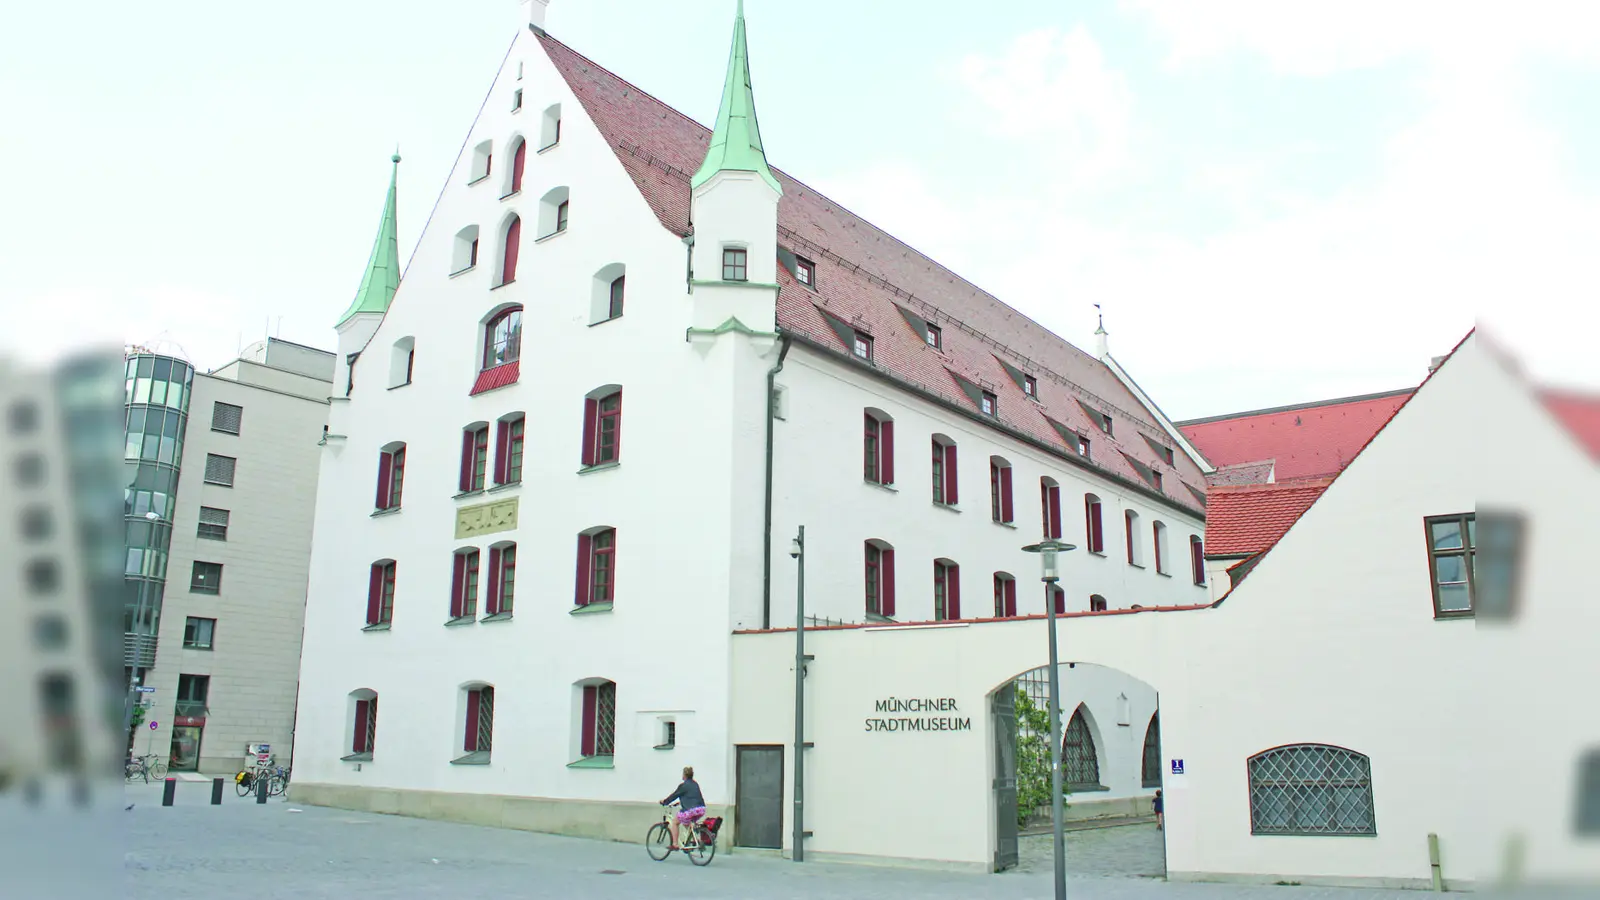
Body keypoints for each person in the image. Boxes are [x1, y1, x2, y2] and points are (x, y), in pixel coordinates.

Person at [660, 766, 707, 851]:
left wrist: (665, 802)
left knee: (675, 822)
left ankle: (675, 845)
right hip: (701, 809)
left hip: (691, 810)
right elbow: (692, 797)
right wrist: (680, 802)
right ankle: (695, 841)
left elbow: (674, 795)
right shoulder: (695, 784)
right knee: (687, 823)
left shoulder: (683, 786)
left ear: (684, 775)